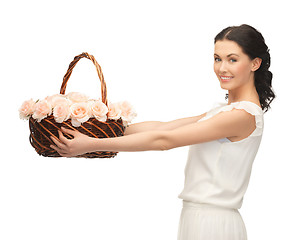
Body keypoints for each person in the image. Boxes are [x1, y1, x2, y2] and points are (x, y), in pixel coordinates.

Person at [50, 24, 275, 240]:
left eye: (232, 60)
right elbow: (164, 127)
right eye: (217, 59)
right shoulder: (226, 111)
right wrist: (101, 129)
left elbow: (165, 140)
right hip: (200, 217)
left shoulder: (242, 115)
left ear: (255, 63)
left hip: (213, 221)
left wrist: (91, 144)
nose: (222, 68)